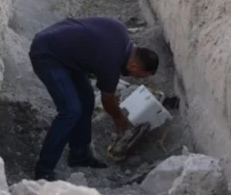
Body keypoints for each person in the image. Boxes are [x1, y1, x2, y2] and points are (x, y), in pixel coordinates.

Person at [28, 16, 159, 181]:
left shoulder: (121, 30)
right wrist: (119, 119)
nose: (137, 79)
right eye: (139, 76)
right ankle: (44, 170)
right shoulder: (111, 63)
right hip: (47, 54)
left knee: (87, 99)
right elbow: (107, 100)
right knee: (70, 110)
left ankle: (79, 155)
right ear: (133, 66)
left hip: (63, 50)